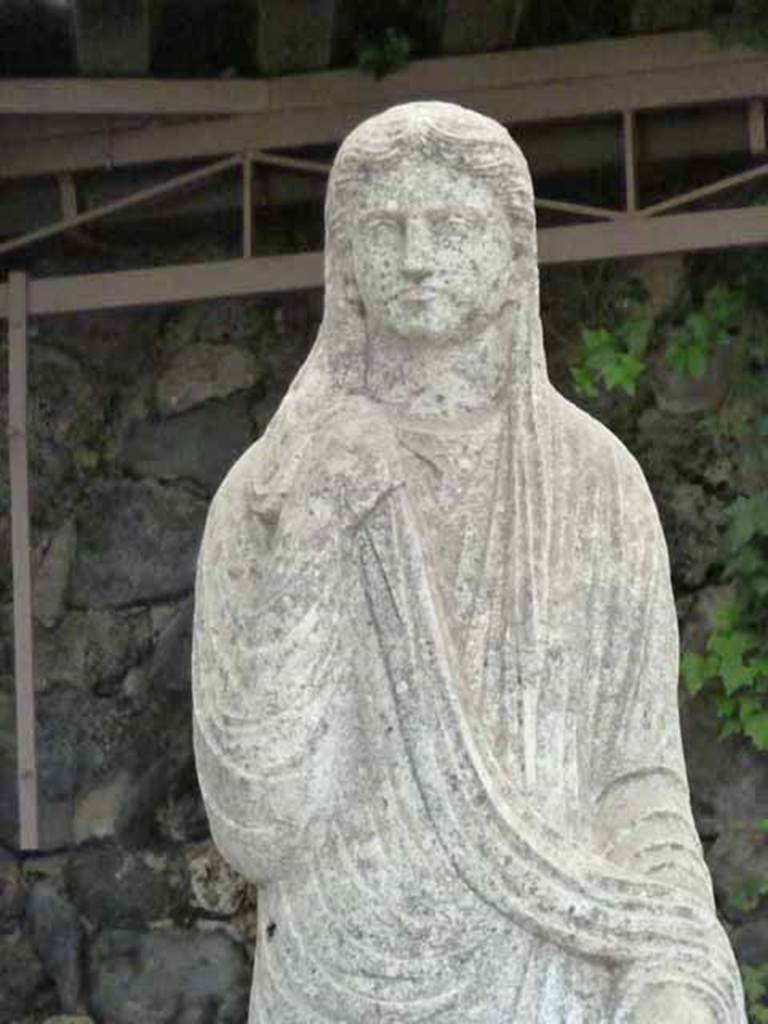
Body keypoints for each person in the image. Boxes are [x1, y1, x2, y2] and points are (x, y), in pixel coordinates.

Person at [192, 102, 745, 1023]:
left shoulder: (596, 486)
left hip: (548, 970)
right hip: (330, 977)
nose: (415, 256)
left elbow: (635, 782)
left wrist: (671, 969)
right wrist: (312, 535)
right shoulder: (270, 490)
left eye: (449, 226)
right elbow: (259, 824)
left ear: (510, 255)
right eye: (385, 229)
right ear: (349, 263)